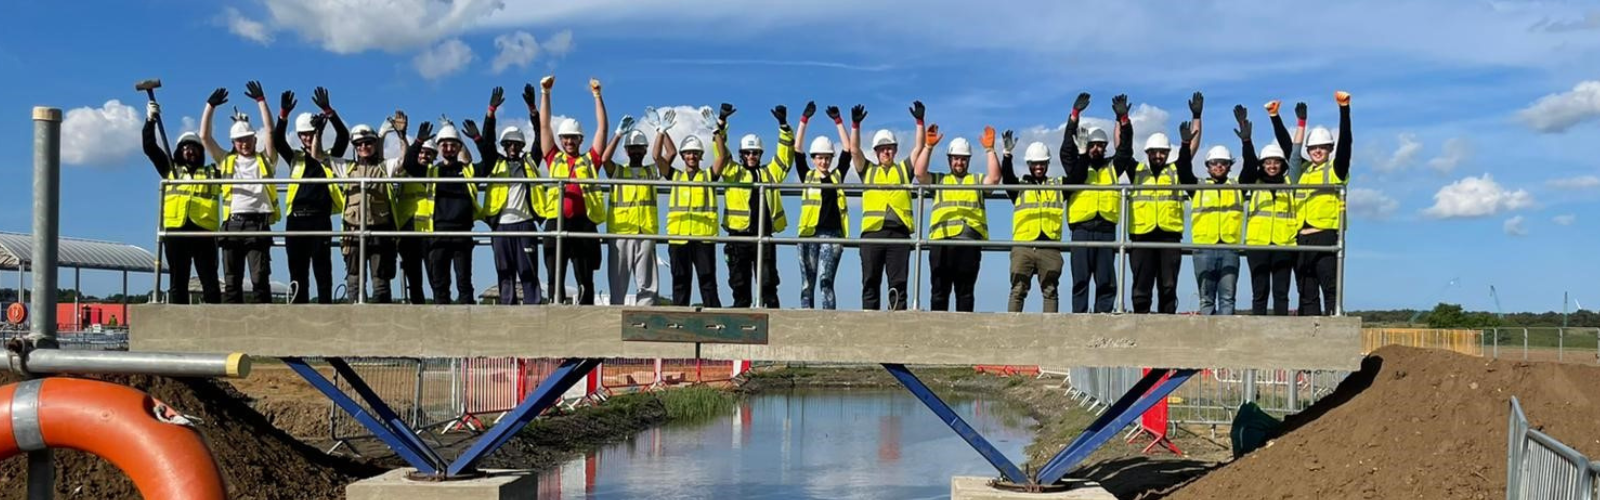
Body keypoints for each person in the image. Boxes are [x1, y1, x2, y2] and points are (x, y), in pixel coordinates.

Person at [200, 81, 276, 304]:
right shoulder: (226, 160)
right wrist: (210, 107)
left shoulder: (265, 160)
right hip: (233, 223)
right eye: (240, 140)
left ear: (254, 139)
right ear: (233, 142)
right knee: (232, 280)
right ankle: (231, 328)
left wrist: (261, 102)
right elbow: (204, 137)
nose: (244, 143)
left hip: (258, 224)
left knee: (259, 278)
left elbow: (271, 131)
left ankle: (264, 323)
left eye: (248, 139)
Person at [537, 76, 609, 305]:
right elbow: (544, 126)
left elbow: (603, 129)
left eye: (573, 138)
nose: (569, 141)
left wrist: (597, 96)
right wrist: (545, 94)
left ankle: (585, 311)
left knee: (585, 276)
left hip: (583, 222)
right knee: (553, 275)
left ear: (580, 140)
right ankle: (554, 309)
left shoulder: (590, 160)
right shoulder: (553, 157)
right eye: (566, 137)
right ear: (561, 139)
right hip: (556, 221)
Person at [1125, 94, 1200, 314]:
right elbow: (1122, 149)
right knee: (1141, 287)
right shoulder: (1137, 170)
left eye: (1162, 152)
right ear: (1147, 153)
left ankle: (1167, 324)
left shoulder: (1176, 170)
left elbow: (1189, 154)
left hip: (1169, 235)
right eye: (1154, 152)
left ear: (1168, 153)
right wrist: (1123, 120)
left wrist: (1196, 117)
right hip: (1141, 235)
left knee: (1168, 286)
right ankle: (1140, 322)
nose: (1158, 155)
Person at [1060, 93, 1133, 313]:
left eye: (1101, 146)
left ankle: (1103, 317)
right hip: (1081, 230)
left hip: (1106, 230)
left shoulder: (1113, 166)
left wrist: (1124, 120)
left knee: (1106, 281)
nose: (1097, 149)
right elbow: (1066, 147)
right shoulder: (1076, 167)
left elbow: (1126, 149)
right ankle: (1079, 317)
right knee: (1080, 280)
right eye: (1093, 145)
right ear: (1086, 144)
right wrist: (1074, 117)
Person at [915, 125, 1000, 312]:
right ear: (949, 160)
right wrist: (928, 147)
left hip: (969, 243)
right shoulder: (939, 179)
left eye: (963, 159)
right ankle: (937, 333)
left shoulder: (976, 180)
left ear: (968, 160)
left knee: (965, 292)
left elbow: (994, 179)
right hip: (941, 242)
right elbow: (919, 174)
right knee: (939, 291)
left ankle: (965, 336)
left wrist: (990, 150)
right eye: (956, 159)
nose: (959, 162)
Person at [474, 87, 546, 306]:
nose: (513, 147)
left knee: (528, 272)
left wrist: (533, 110)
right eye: (509, 144)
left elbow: (541, 137)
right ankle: (507, 314)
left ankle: (534, 314)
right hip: (502, 226)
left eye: (516, 144)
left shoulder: (531, 162)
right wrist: (491, 112)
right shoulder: (496, 162)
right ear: (504, 146)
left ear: (522, 145)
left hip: (524, 225)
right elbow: (486, 144)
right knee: (505, 273)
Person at [718, 104, 794, 308]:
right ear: (741, 154)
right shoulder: (733, 172)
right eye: (748, 152)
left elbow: (786, 158)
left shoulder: (770, 173)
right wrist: (722, 123)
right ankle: (741, 319)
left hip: (765, 234)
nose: (751, 156)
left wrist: (783, 125)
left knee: (768, 283)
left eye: (755, 153)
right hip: (739, 236)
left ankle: (772, 320)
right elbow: (720, 151)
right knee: (739, 283)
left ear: (760, 155)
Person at [849, 102, 924, 310]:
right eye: (882, 149)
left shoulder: (903, 170)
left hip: (899, 235)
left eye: (889, 148)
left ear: (895, 150)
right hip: (872, 234)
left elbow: (919, 148)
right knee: (870, 281)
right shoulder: (868, 170)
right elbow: (854, 150)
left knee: (898, 284)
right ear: (875, 152)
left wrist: (920, 122)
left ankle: (898, 327)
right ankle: (869, 322)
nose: (886, 152)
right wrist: (855, 125)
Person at [273, 89, 344, 304]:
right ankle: (297, 310)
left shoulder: (330, 157)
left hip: (320, 219)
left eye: (310, 133)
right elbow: (278, 141)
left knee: (323, 269)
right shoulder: (295, 158)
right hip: (296, 220)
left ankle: (325, 309)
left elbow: (344, 136)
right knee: (297, 269)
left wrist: (329, 112)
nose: (307, 137)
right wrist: (283, 115)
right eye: (303, 134)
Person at [145, 101, 220, 304]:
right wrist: (150, 120)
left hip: (204, 231)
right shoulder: (171, 169)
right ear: (179, 151)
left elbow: (229, 160)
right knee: (178, 280)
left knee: (210, 281)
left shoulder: (213, 172)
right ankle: (180, 322)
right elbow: (150, 147)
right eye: (185, 147)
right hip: (176, 231)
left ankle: (214, 322)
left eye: (194, 147)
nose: (190, 151)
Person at [401, 118, 480, 304]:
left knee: (464, 284)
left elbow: (490, 159)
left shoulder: (468, 171)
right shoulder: (430, 172)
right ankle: (440, 329)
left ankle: (466, 327)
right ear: (439, 148)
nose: (449, 149)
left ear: (459, 147)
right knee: (440, 285)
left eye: (453, 145)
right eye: (444, 145)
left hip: (462, 232)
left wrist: (477, 137)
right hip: (437, 233)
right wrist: (418, 142)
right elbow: (409, 165)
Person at [1237, 102, 1305, 316]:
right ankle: (1258, 332)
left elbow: (1293, 155)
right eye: (1268, 162)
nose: (1272, 166)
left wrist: (1298, 123)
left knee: (1281, 292)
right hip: (1258, 244)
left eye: (1276, 162)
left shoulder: (1290, 182)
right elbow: (1247, 168)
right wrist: (1247, 142)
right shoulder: (1254, 182)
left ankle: (1281, 333)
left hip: (1284, 243)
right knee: (1260, 292)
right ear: (1262, 165)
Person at [323, 117, 399, 304]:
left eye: (368, 143)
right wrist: (319, 131)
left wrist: (401, 135)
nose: (363, 147)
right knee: (354, 279)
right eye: (359, 144)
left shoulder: (384, 167)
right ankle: (353, 320)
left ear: (375, 144)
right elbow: (318, 156)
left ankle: (382, 321)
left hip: (380, 230)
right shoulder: (347, 168)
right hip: (352, 230)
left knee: (380, 281)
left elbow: (404, 159)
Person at [1295, 91, 1353, 316]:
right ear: (1308, 151)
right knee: (1306, 291)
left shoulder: (1336, 170)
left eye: (1323, 147)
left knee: (1330, 287)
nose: (1317, 151)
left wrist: (1344, 110)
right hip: (1302, 237)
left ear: (1330, 149)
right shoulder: (1304, 171)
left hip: (1326, 236)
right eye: (1313, 148)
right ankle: (1311, 340)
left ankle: (1332, 330)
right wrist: (1275, 118)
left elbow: (1346, 144)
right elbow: (1290, 152)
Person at [655, 116, 722, 308]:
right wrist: (661, 131)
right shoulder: (675, 176)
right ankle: (679, 319)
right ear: (683, 156)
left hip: (704, 237)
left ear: (700, 155)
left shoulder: (708, 176)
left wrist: (716, 131)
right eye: (688, 153)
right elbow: (657, 157)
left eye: (695, 153)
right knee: (680, 282)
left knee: (708, 282)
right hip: (679, 237)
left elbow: (722, 157)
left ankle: (714, 321)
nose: (691, 156)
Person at [793, 104, 851, 310]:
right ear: (814, 158)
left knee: (826, 282)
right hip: (808, 235)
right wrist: (803, 119)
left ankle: (828, 321)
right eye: (820, 157)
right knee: (807, 283)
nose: (824, 161)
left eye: (827, 157)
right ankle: (806, 320)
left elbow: (847, 150)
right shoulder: (807, 176)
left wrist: (838, 121)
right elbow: (797, 150)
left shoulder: (837, 177)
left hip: (832, 234)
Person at [1004, 131, 1066, 313]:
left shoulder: (1058, 185)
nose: (1039, 166)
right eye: (1035, 163)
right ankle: (1011, 330)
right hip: (1023, 245)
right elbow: (1007, 178)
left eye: (1042, 163)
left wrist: (1082, 151)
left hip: (1049, 245)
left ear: (1047, 164)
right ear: (1029, 164)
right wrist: (1007, 155)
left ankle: (1049, 332)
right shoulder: (1019, 187)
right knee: (1017, 290)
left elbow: (1078, 176)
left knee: (1050, 290)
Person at [600, 115, 659, 306]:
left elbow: (665, 157)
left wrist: (661, 131)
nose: (636, 151)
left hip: (645, 231)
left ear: (645, 150)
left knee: (647, 285)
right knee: (618, 283)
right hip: (620, 233)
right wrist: (618, 134)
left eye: (639, 147)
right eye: (632, 147)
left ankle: (646, 318)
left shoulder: (650, 171)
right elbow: (604, 159)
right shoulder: (619, 171)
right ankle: (616, 318)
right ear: (626, 150)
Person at [382, 111, 432, 304]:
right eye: (422, 152)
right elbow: (408, 161)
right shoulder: (406, 171)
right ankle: (417, 308)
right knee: (414, 279)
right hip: (406, 230)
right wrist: (403, 136)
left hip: (428, 232)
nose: (424, 156)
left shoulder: (435, 173)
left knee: (435, 278)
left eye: (429, 153)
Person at [1191, 137, 1244, 316]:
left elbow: (1251, 168)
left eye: (1224, 163)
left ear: (1230, 166)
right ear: (1207, 166)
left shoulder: (1238, 186)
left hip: (1230, 248)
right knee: (1206, 299)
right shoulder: (1197, 186)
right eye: (1214, 163)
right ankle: (1207, 340)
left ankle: (1224, 339)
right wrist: (1185, 146)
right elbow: (1183, 169)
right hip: (1203, 249)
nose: (1219, 166)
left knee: (1228, 299)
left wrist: (1246, 141)